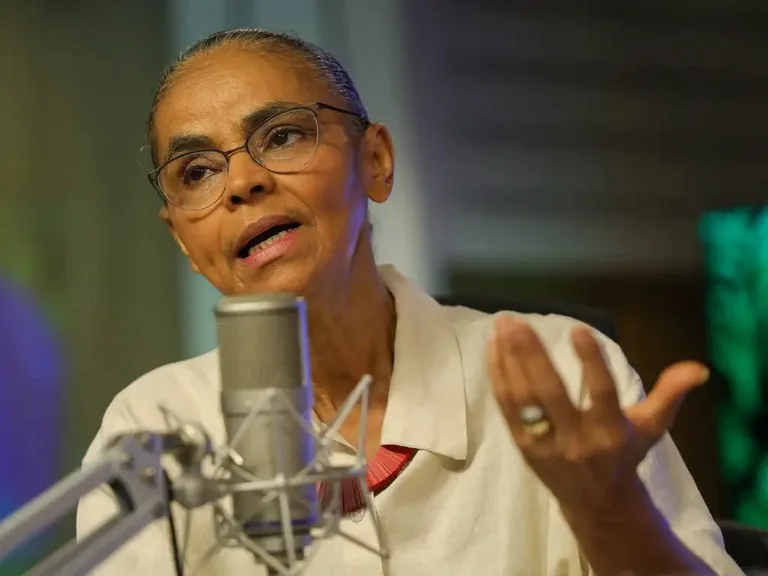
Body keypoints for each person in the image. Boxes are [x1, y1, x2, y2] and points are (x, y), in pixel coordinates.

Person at [76, 28, 743, 575]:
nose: (243, 182)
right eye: (197, 172)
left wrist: (613, 515)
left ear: (376, 163)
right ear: (184, 242)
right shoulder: (156, 428)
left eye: (281, 136)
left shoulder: (559, 373)